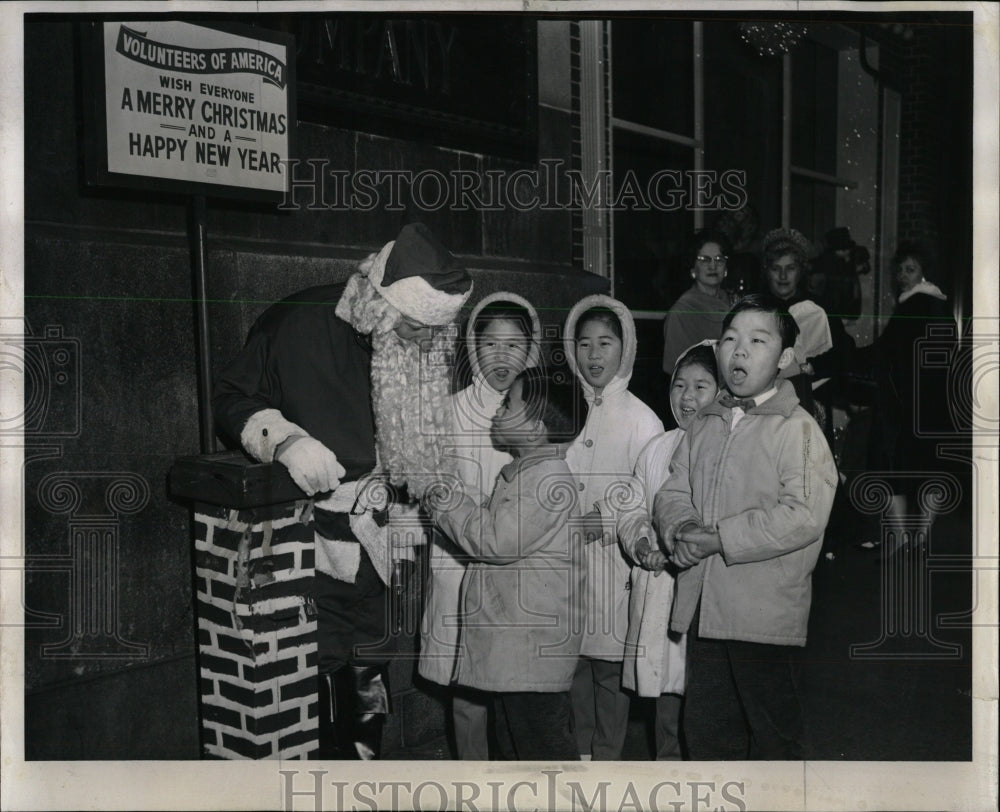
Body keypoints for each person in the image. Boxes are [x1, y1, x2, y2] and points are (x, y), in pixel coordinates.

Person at [212, 222, 473, 760]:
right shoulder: (298, 322)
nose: (430, 342)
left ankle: (364, 775)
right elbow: (232, 396)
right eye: (420, 327)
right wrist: (282, 440)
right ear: (383, 305)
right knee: (318, 665)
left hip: (380, 535)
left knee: (371, 660)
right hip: (307, 535)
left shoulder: (419, 338)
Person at [653, 294, 838, 760]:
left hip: (764, 616)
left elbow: (804, 514)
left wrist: (719, 537)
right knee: (710, 729)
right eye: (730, 339)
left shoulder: (796, 429)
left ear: (787, 358)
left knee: (773, 731)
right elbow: (673, 489)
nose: (739, 351)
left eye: (758, 340)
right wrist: (682, 529)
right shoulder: (706, 423)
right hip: (705, 609)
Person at [422, 367, 589, 760]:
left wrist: (443, 500)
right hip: (517, 650)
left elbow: (495, 540)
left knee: (543, 755)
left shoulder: (548, 482)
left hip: (531, 653)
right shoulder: (524, 476)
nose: (499, 407)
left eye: (509, 402)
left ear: (534, 430)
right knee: (517, 752)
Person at [420, 293, 541, 759]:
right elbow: (435, 487)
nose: (502, 356)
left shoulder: (537, 409)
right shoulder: (450, 413)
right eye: (491, 345)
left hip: (518, 570)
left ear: (530, 349)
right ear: (473, 348)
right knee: (468, 691)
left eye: (514, 345)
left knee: (516, 693)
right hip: (461, 564)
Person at [606, 342, 721, 760]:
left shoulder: (726, 449)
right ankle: (668, 775)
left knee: (704, 697)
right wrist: (639, 541)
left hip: (705, 592)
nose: (687, 398)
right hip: (660, 587)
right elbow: (633, 503)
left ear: (722, 392)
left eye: (701, 386)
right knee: (666, 700)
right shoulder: (657, 448)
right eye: (679, 385)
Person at [565, 296, 664, 760]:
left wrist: (598, 519)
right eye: (584, 343)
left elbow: (645, 490)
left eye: (606, 342)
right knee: (573, 665)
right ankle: (581, 752)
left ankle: (607, 758)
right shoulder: (569, 409)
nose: (594, 354)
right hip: (564, 563)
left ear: (626, 347)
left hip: (613, 563)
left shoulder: (642, 420)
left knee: (609, 667)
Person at [855, 242, 951, 555]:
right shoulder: (942, 306)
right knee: (932, 469)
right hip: (937, 404)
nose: (902, 276)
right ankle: (923, 536)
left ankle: (901, 537)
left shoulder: (913, 305)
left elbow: (884, 351)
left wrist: (845, 359)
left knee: (890, 463)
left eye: (910, 269)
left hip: (907, 403)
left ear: (924, 273)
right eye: (900, 270)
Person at [760, 227, 855, 435]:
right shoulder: (756, 307)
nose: (783, 276)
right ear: (767, 271)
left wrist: (813, 367)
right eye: (776, 268)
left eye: (790, 268)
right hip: (765, 404)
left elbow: (844, 351)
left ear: (801, 270)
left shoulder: (818, 307)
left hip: (811, 402)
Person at [661, 230, 734, 375]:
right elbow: (676, 369)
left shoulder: (732, 303)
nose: (713, 266)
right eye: (704, 260)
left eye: (719, 259)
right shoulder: (682, 312)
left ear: (726, 267)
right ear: (693, 268)